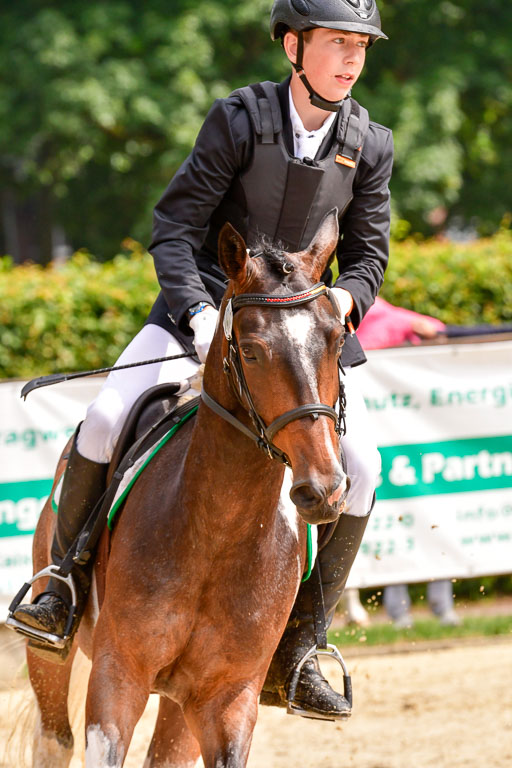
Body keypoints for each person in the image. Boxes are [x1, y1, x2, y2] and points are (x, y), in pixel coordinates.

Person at [10, 0, 393, 719]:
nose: (351, 59)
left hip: (304, 338)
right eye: (337, 42)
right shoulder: (240, 120)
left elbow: (370, 252)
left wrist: (346, 300)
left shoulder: (370, 142)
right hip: (204, 316)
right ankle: (60, 589)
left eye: (360, 46)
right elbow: (176, 225)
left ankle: (303, 646)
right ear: (293, 46)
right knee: (102, 419)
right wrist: (194, 310)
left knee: (364, 468)